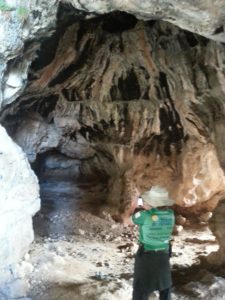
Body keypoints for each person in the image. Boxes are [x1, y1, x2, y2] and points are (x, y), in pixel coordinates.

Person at [131, 187, 175, 300]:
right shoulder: (171, 214)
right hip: (164, 254)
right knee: (165, 285)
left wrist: (138, 206)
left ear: (151, 203)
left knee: (141, 287)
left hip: (147, 255)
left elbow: (128, 220)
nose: (144, 201)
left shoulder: (144, 215)